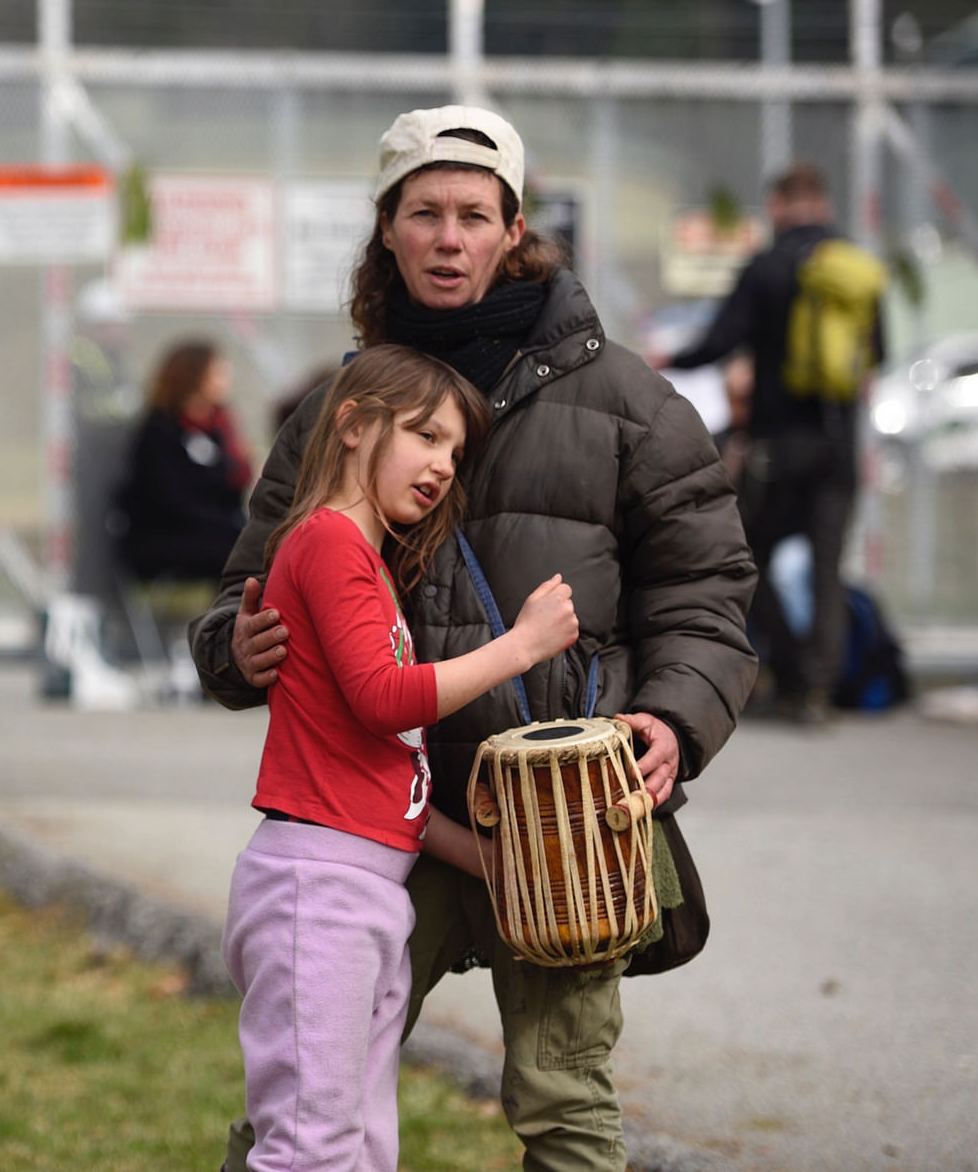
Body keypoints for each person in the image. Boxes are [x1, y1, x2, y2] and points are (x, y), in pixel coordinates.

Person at [191, 105, 757, 1172]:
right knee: (307, 1105)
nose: (446, 236)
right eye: (422, 213)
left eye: (470, 213)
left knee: (563, 1105)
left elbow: (706, 588)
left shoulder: (626, 399)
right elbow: (242, 596)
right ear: (386, 232)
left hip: (561, 818)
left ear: (511, 230)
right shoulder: (336, 413)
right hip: (378, 823)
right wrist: (234, 646)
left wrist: (674, 716)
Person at [225, 344, 578, 1172]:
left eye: (454, 452)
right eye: (424, 435)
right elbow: (384, 698)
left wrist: (484, 857)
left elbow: (391, 786)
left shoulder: (368, 560)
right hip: (319, 893)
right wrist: (520, 646)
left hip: (361, 891)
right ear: (352, 424)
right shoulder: (327, 542)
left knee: (363, 1144)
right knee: (311, 1146)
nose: (442, 465)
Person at [668, 162, 879, 724]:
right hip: (839, 442)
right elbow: (876, 353)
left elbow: (721, 339)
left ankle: (784, 670)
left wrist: (669, 359)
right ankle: (816, 691)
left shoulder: (767, 266)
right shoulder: (855, 269)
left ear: (780, 207)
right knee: (828, 566)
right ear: (825, 205)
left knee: (748, 557)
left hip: (779, 447)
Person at [116, 340, 252, 585]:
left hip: (210, 533)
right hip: (163, 540)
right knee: (244, 553)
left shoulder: (217, 428)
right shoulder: (160, 430)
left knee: (258, 546)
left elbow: (231, 489)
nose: (226, 378)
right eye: (218, 372)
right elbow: (167, 500)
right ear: (194, 376)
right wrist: (227, 526)